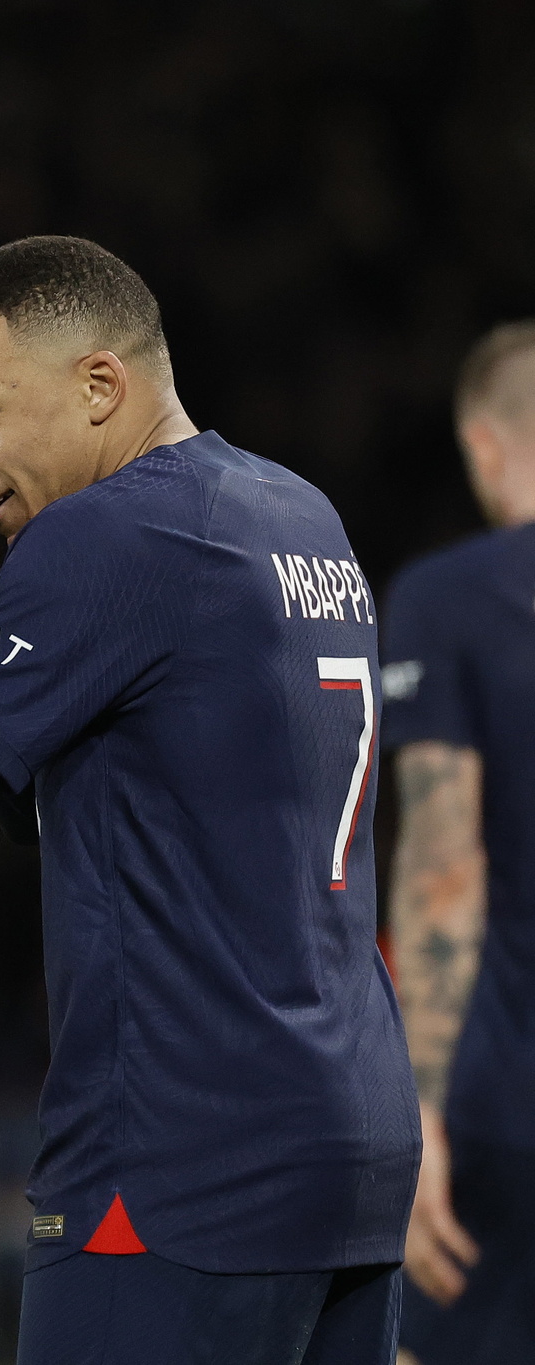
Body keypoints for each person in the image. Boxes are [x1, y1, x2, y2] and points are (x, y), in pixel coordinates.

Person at [0, 236, 418, 1363]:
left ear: (98, 387)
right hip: (345, 1149)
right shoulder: (291, 514)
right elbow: (63, 801)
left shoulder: (113, 533)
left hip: (178, 1162)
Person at [383, 321, 535, 1364]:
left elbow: (444, 870)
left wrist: (417, 1118)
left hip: (508, 1114)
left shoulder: (450, 597)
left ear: (483, 444)